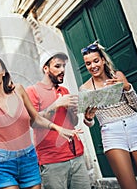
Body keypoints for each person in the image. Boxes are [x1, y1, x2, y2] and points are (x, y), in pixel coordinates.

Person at [0, 55, 83, 189]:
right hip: (3, 162)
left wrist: (58, 128)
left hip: (28, 158)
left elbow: (35, 119)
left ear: (3, 72)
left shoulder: (18, 90)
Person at [80, 41, 137, 189]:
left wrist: (127, 87)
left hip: (136, 126)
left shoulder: (118, 75)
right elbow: (89, 123)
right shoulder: (85, 88)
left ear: (102, 60)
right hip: (112, 134)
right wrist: (88, 117)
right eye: (88, 64)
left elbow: (136, 106)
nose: (93, 66)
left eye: (96, 61)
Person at [25, 51, 92, 189]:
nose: (62, 70)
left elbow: (73, 123)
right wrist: (56, 104)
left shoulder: (65, 91)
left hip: (77, 156)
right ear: (46, 68)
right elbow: (33, 122)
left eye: (63, 66)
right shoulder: (32, 91)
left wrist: (74, 113)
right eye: (57, 66)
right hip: (52, 161)